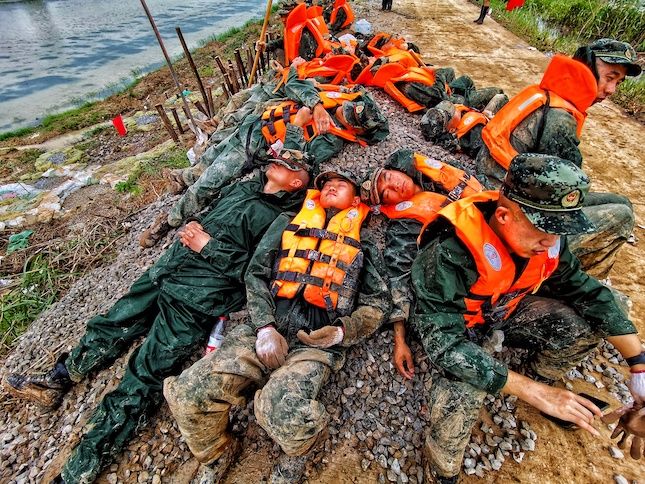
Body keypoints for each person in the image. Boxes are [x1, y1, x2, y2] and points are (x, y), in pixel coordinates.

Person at [2, 150, 312, 484]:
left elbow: (256, 273)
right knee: (109, 325)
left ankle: (79, 469)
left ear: (296, 181)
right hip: (165, 273)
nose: (277, 163)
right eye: (278, 159)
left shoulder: (284, 219)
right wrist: (195, 228)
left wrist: (207, 245)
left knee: (142, 377)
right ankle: (58, 379)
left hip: (197, 299)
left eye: (287, 166)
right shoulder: (245, 188)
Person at [410, 153, 644, 483]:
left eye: (561, 229)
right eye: (545, 230)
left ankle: (541, 376)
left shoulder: (546, 241)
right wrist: (534, 393)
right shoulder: (448, 252)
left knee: (597, 318)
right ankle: (442, 465)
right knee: (462, 395)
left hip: (508, 308)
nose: (552, 242)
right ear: (504, 217)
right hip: (464, 329)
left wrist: (640, 367)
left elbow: (586, 291)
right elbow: (445, 345)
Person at [163, 170, 390, 482]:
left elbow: (377, 303)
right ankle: (217, 453)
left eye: (341, 184)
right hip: (263, 329)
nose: (332, 187)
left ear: (356, 198)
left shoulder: (364, 243)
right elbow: (255, 272)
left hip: (313, 344)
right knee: (188, 393)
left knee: (280, 409)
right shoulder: (287, 222)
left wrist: (341, 331)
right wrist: (264, 327)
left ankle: (298, 453)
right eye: (326, 185)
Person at [140, 67, 388, 248]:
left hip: (255, 149)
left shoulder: (330, 140)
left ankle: (169, 220)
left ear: (356, 129)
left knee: (207, 184)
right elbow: (291, 78)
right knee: (207, 160)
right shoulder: (331, 97)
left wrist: (298, 125)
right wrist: (316, 105)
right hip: (251, 126)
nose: (343, 115)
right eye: (347, 110)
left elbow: (297, 161)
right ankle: (181, 178)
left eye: (350, 119)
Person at [474, 39, 640, 279]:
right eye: (609, 77)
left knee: (621, 201)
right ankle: (571, 279)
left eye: (618, 82)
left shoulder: (547, 95)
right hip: (516, 212)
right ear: (587, 68)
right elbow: (569, 191)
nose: (612, 90)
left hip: (499, 187)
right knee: (622, 216)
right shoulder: (561, 118)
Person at [360, 149, 483, 379]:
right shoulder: (404, 226)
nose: (394, 187)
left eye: (387, 178)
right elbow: (398, 276)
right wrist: (400, 340)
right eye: (386, 195)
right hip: (481, 277)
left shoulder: (430, 173)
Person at [420, 95, 508, 156]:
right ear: (451, 129)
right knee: (500, 97)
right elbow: (482, 148)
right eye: (450, 115)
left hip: (478, 114)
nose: (452, 110)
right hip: (493, 124)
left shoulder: (438, 126)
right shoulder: (468, 135)